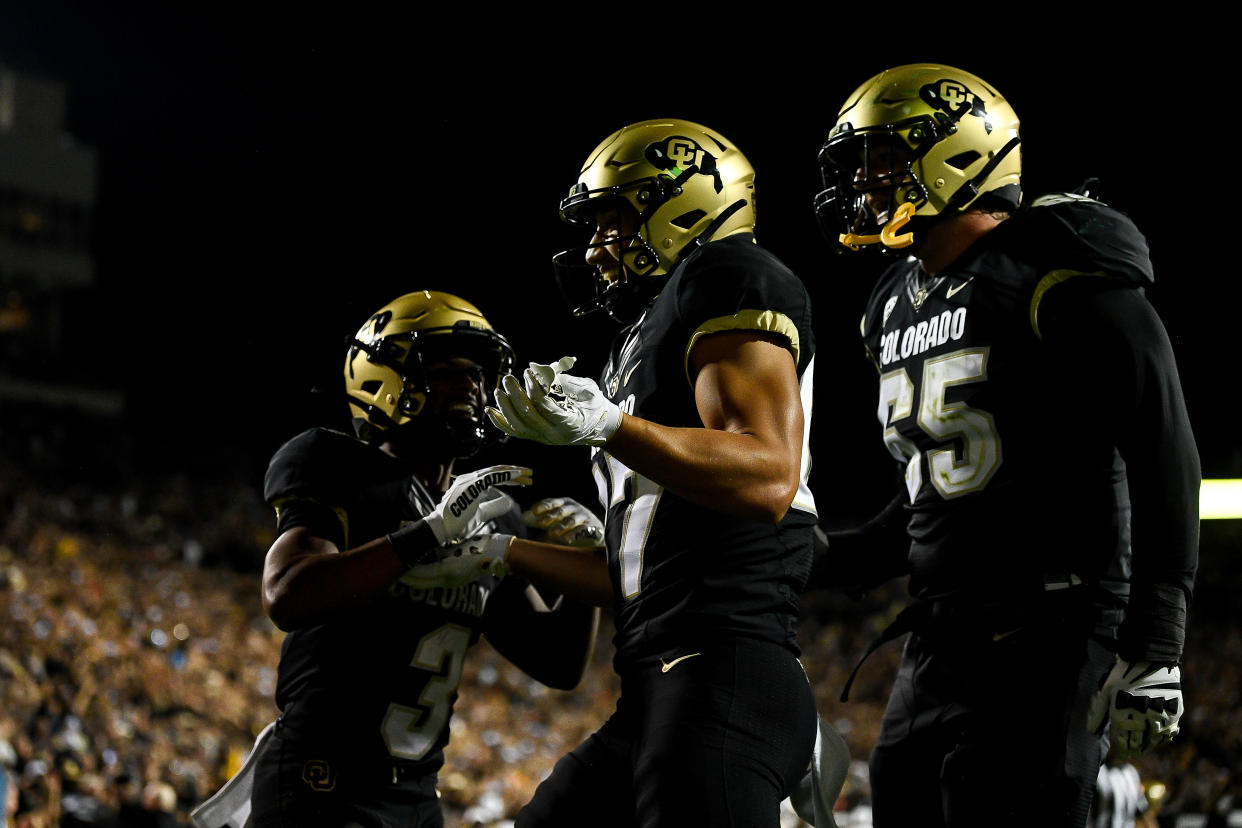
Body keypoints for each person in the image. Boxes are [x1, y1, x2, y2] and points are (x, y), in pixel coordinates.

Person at [806, 63, 1199, 827]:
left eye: (884, 159)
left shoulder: (1055, 264)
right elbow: (930, 493)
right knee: (902, 797)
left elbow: (1163, 443)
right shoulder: (894, 303)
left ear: (959, 155)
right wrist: (813, 557)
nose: (864, 181)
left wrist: (1158, 638)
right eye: (858, 165)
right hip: (940, 634)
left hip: (1050, 625)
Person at [474, 117, 821, 828]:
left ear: (682, 206)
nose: (598, 247)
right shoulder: (635, 343)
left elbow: (766, 476)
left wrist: (610, 425)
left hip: (722, 668)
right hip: (658, 683)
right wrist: (496, 554)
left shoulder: (726, 274)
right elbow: (630, 576)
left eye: (614, 221)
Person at [200, 290, 601, 828]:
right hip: (323, 786)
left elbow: (557, 662)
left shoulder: (488, 512)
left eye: (478, 373)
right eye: (445, 370)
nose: (471, 386)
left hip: (416, 796)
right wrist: (428, 535)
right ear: (381, 378)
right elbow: (287, 594)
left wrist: (583, 568)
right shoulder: (334, 462)